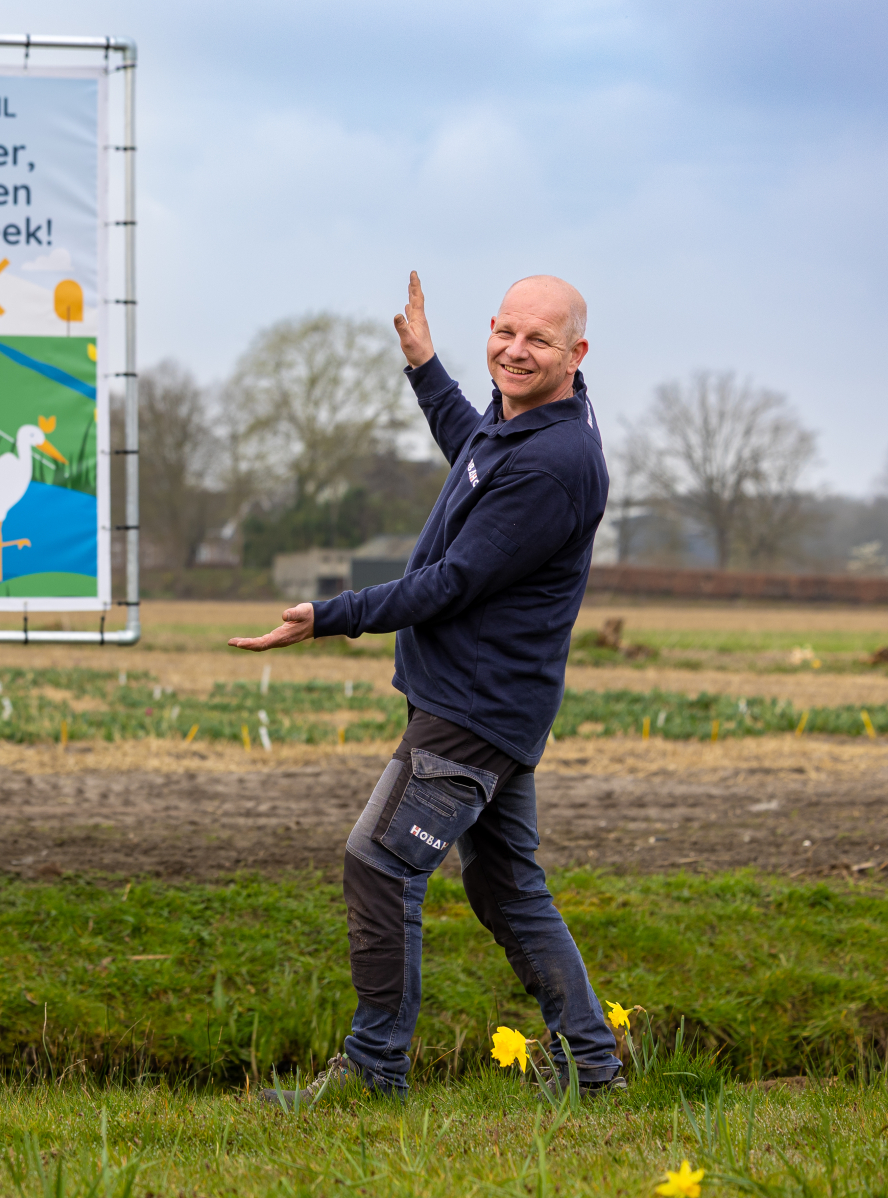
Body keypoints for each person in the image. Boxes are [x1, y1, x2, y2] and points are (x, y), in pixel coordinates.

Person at [230, 271, 622, 1103]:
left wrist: (331, 614)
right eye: (506, 331)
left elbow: (451, 583)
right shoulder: (520, 424)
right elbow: (472, 449)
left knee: (379, 862)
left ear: (576, 353)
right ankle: (593, 1068)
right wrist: (426, 369)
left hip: (474, 710)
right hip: (490, 701)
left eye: (539, 340)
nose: (516, 351)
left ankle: (373, 1071)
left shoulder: (553, 462)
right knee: (505, 881)